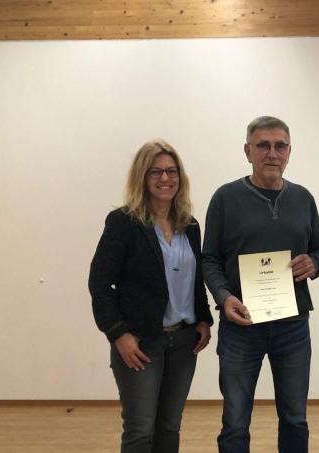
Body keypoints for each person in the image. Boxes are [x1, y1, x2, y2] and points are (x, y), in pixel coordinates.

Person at [202, 116, 319, 453]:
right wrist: (224, 296)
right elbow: (209, 259)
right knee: (235, 422)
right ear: (248, 151)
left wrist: (314, 263)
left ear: (289, 152)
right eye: (263, 146)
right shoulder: (225, 198)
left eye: (280, 146)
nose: (272, 153)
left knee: (295, 419)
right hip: (240, 326)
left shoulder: (304, 198)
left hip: (293, 326)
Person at [89, 139, 214, 453]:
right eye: (155, 171)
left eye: (172, 171)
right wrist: (118, 334)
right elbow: (100, 284)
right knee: (140, 431)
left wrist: (203, 318)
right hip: (141, 343)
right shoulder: (123, 223)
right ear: (142, 177)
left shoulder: (190, 225)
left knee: (169, 428)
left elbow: (195, 279)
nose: (165, 178)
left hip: (184, 343)